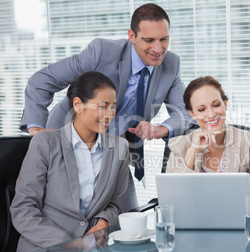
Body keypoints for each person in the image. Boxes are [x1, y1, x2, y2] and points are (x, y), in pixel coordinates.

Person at [18, 3, 193, 211]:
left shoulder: (171, 64)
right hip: (70, 143)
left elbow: (187, 110)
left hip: (113, 149)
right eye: (149, 40)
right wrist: (36, 129)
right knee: (67, 216)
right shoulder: (102, 52)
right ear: (132, 36)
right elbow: (42, 80)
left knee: (129, 217)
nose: (158, 49)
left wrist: (160, 129)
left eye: (164, 39)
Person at [11, 71, 129, 252]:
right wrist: (69, 243)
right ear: (78, 105)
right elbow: (23, 209)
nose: (110, 115)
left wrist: (105, 222)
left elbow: (115, 205)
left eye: (113, 107)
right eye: (103, 106)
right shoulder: (46, 143)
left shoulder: (120, 147)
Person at [166, 76, 250, 187]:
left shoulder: (249, 141)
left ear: (225, 104)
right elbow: (173, 193)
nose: (211, 115)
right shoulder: (179, 145)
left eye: (216, 105)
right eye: (201, 109)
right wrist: (193, 150)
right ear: (192, 113)